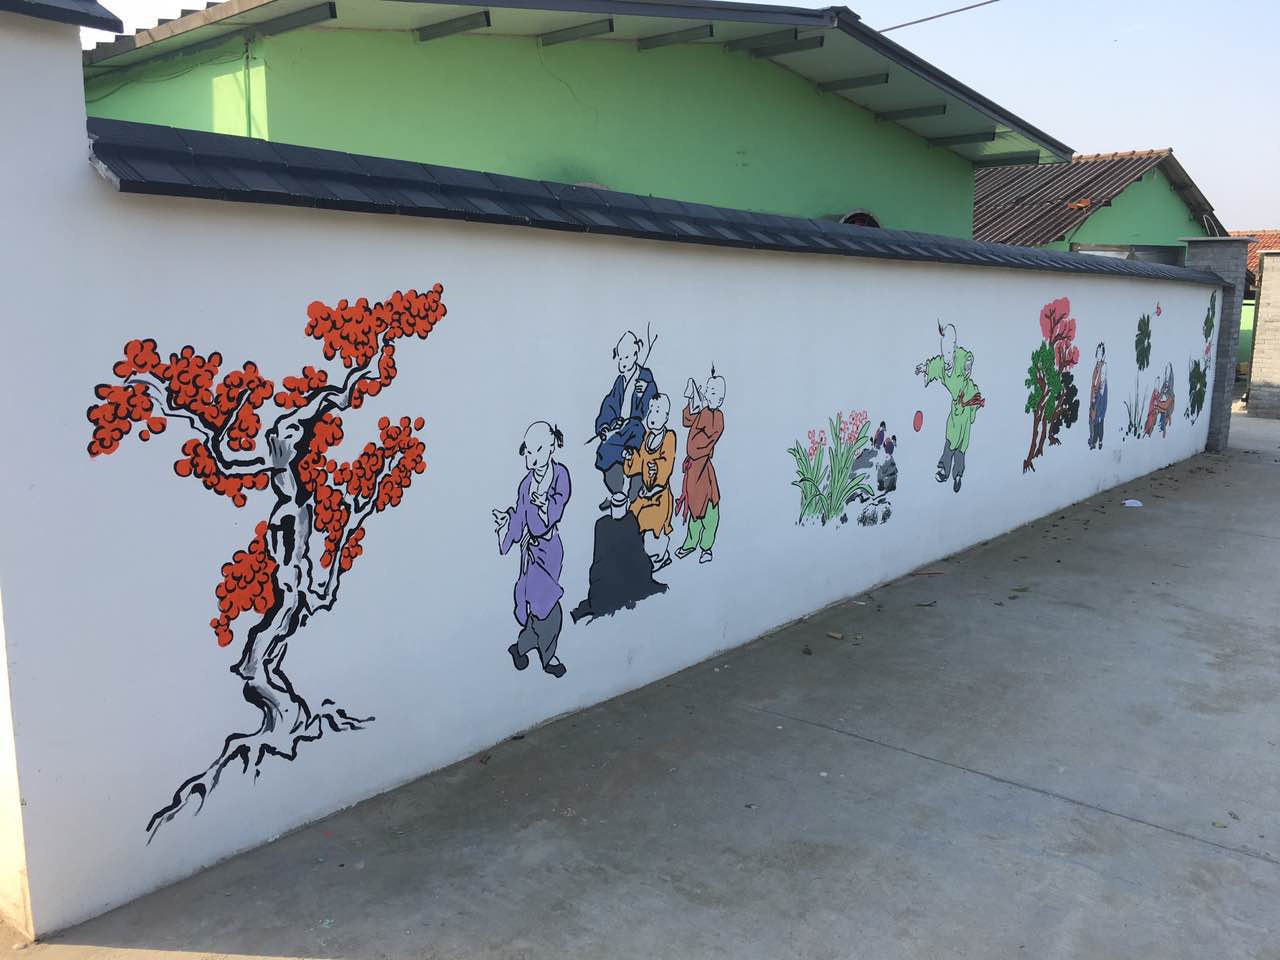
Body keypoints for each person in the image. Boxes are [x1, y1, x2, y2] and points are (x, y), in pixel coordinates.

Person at [493, 421, 571, 678]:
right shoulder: (526, 485)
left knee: (541, 607)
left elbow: (559, 503)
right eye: (528, 451)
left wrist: (545, 506)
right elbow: (519, 518)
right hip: (533, 552)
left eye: (538, 450)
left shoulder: (560, 474)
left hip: (552, 548)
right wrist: (506, 524)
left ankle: (521, 647)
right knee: (548, 607)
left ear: (551, 447)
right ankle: (549, 658)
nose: (532, 457)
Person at [916, 322, 983, 493]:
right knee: (952, 438)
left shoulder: (960, 357)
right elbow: (933, 366)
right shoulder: (941, 364)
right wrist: (923, 368)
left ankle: (956, 473)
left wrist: (968, 364)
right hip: (957, 408)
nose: (946, 359)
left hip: (967, 400)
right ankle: (946, 470)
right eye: (943, 353)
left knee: (960, 444)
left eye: (949, 353)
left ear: (953, 349)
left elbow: (968, 358)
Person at [594, 331, 658, 511]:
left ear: (636, 355)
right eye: (620, 358)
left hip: (635, 428)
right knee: (605, 451)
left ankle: (633, 498)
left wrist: (645, 391)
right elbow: (610, 403)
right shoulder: (619, 381)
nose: (622, 363)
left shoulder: (645, 377)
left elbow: (651, 403)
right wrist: (605, 426)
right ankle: (617, 494)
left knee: (634, 456)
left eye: (627, 358)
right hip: (619, 428)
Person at [675, 369, 725, 563]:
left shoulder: (717, 417)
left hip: (704, 470)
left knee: (710, 513)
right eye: (707, 390)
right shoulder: (703, 411)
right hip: (693, 471)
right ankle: (690, 543)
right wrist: (692, 398)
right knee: (694, 511)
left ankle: (706, 548)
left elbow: (703, 442)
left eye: (713, 392)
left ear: (720, 399)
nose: (708, 394)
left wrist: (702, 408)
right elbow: (687, 420)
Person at [623, 393, 676, 571]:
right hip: (645, 493)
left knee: (653, 525)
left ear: (666, 416)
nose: (652, 415)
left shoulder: (669, 437)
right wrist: (630, 457)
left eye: (658, 411)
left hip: (660, 495)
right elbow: (639, 462)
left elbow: (666, 464)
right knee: (632, 515)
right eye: (651, 410)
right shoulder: (647, 438)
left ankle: (660, 556)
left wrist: (656, 467)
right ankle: (640, 555)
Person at [1088, 342, 1108, 450]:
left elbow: (1102, 386)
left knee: (1099, 421)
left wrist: (1098, 404)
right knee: (1092, 420)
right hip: (1094, 397)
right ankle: (1093, 440)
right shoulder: (1096, 366)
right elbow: (1094, 383)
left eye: (1101, 352)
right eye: (1098, 352)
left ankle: (1098, 441)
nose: (1099, 354)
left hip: (1099, 398)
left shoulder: (1103, 366)